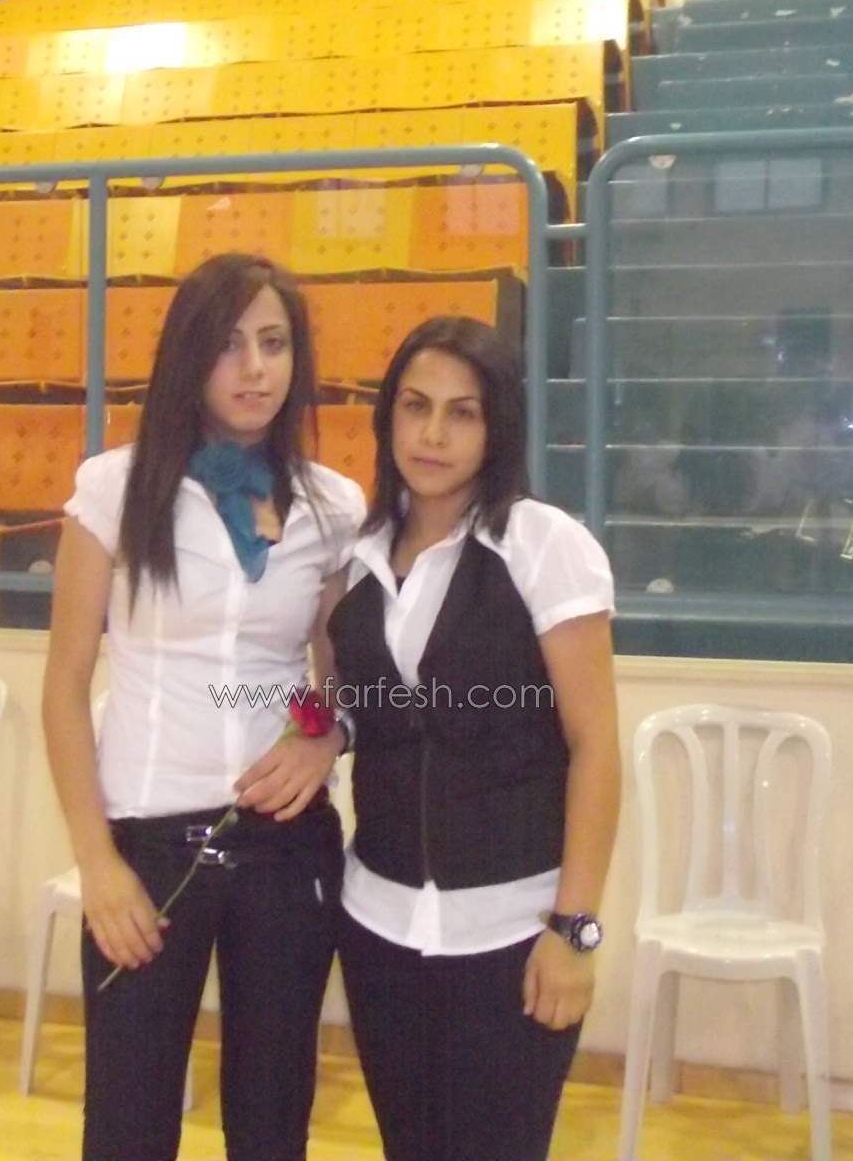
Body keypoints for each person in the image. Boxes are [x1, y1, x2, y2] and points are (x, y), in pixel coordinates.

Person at [42, 252, 365, 1161]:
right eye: (229, 345)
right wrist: (97, 864)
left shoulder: (333, 506)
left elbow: (339, 676)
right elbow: (64, 686)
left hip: (286, 845)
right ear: (189, 356)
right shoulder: (113, 489)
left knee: (271, 1127)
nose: (255, 368)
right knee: (128, 1129)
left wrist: (326, 738)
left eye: (274, 344)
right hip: (147, 850)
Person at [328, 316, 621, 1161]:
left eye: (463, 413)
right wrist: (319, 729)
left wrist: (576, 931)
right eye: (415, 406)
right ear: (387, 415)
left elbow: (596, 747)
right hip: (377, 927)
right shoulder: (357, 556)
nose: (433, 434)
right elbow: (347, 703)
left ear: (497, 429)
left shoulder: (544, 546)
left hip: (514, 937)